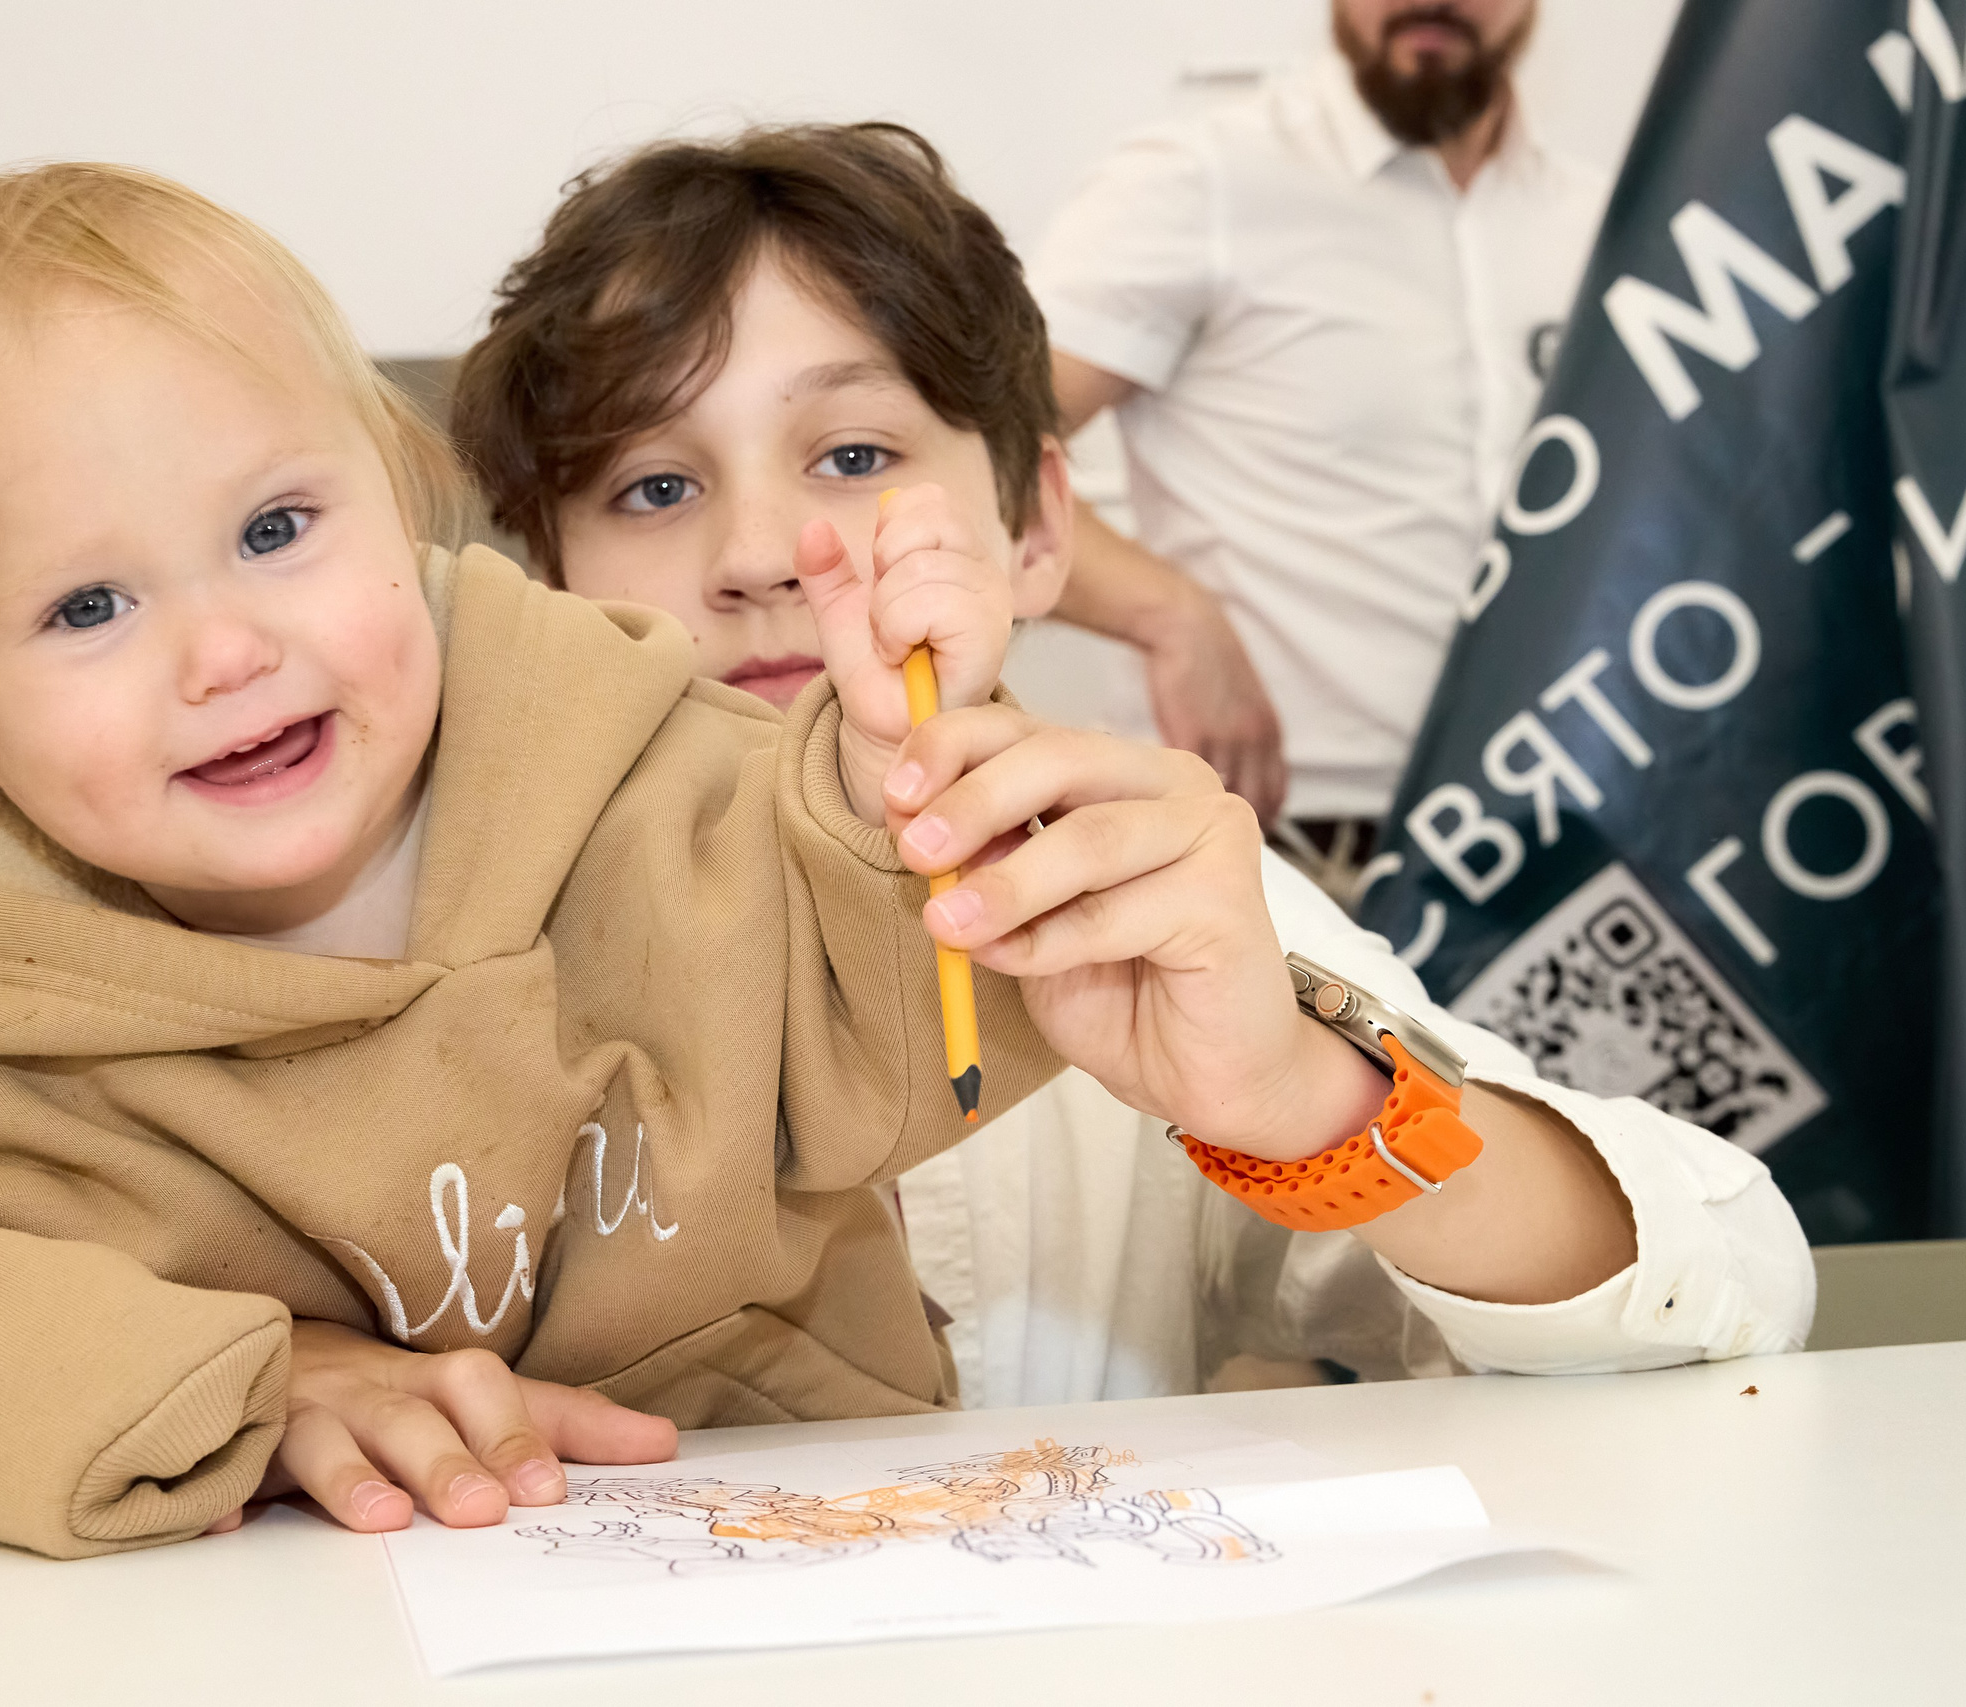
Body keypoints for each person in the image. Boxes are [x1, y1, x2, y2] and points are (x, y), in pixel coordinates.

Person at [0, 160, 1455, 1560]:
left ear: (408, 506)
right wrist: (252, 1380)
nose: (224, 650)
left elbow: (903, 982)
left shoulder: (674, 796)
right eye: (88, 605)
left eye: (278, 527)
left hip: (843, 1587)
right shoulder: (8, 1017)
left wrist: (893, 795)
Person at [452, 123, 1809, 1414]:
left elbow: (1735, 1290)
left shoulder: (1151, 897)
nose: (759, 555)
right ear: (546, 587)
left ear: (1037, 529)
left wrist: (1306, 1100)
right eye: (653, 487)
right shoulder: (445, 931)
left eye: (854, 455)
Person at [1029, 0, 1605, 899]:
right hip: (1274, 858)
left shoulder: (1605, 219)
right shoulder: (1201, 182)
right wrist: (1168, 612)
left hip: (1550, 846)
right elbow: (969, 452)